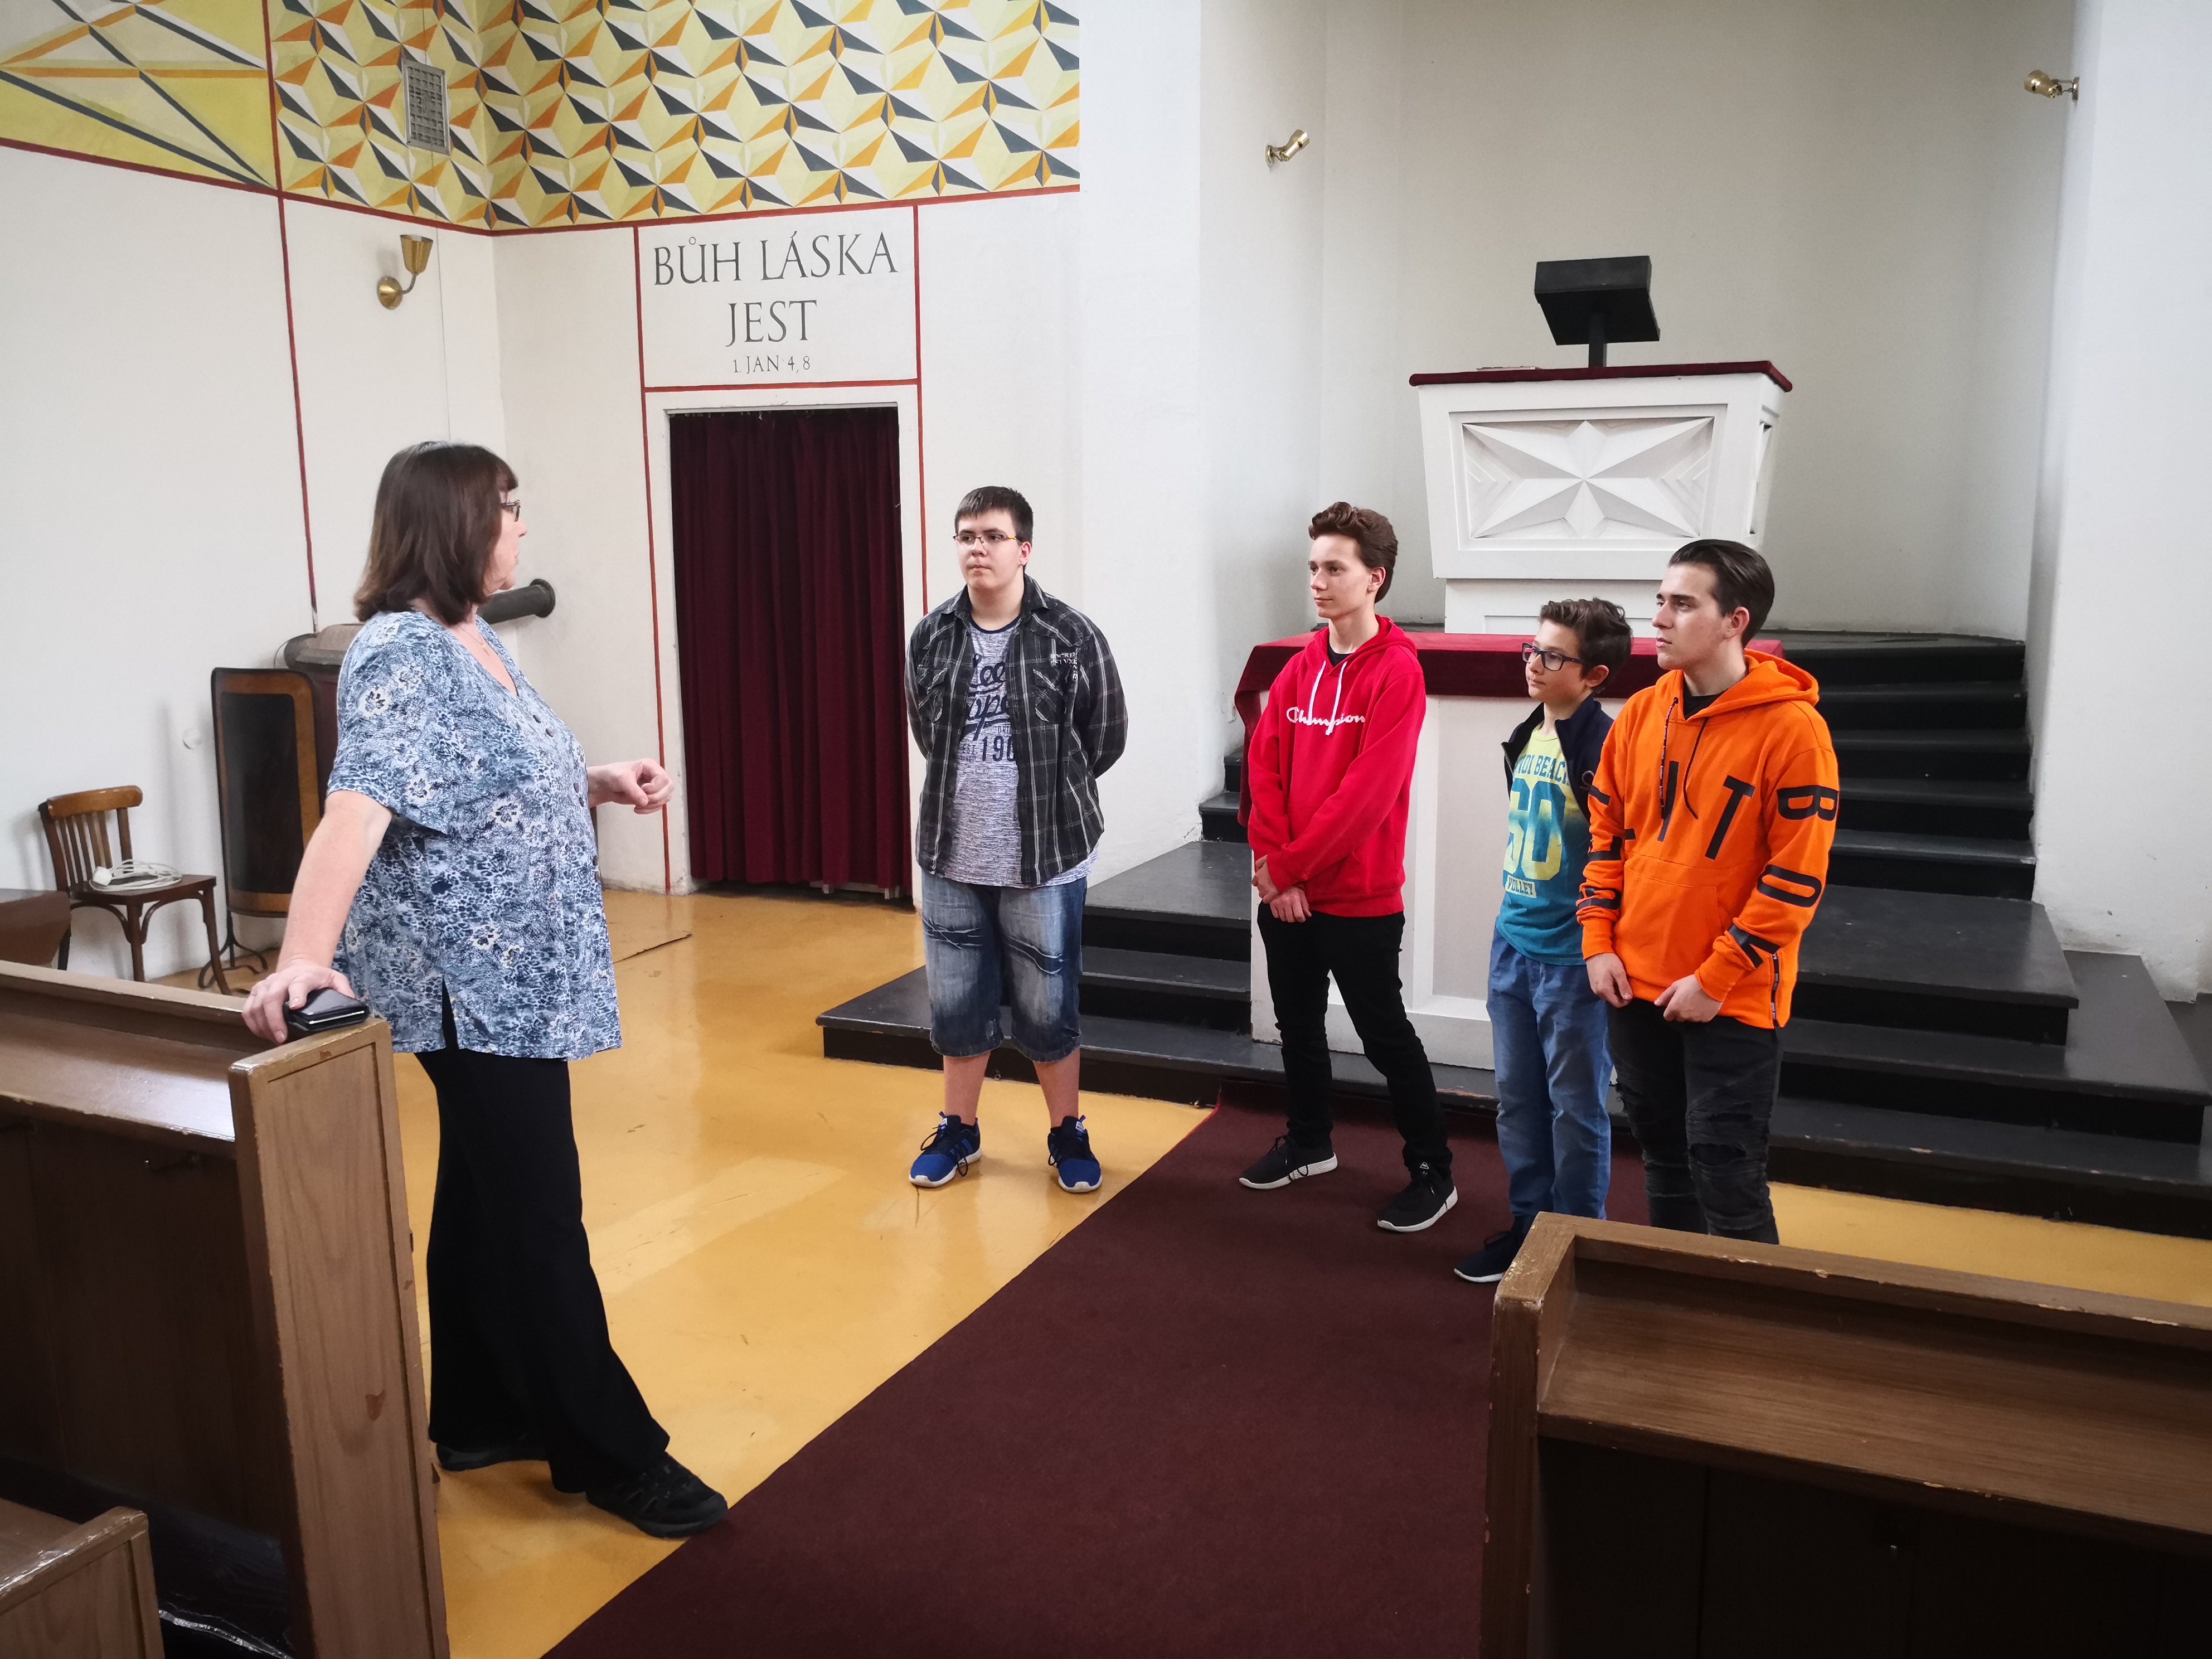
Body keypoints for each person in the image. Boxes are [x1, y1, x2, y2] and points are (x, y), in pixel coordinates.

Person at [242, 441, 726, 1539]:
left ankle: (472, 1414)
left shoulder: (474, 634)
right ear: (455, 523)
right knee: (543, 1215)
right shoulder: (401, 651)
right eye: (507, 508)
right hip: (473, 984)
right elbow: (357, 808)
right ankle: (612, 1455)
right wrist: (303, 958)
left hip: (522, 972)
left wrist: (593, 780)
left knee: (481, 1192)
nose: (520, 527)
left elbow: (480, 780)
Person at [1576, 540, 1839, 1244]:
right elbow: (1605, 837)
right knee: (1663, 1163)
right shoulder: (1641, 712)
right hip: (1632, 985)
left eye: (1682, 604)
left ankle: (1748, 1316)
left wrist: (1716, 978)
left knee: (1727, 1177)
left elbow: (1795, 880)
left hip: (1731, 997)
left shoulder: (1793, 731)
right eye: (1660, 601)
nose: (1658, 619)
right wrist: (1596, 942)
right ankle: (1676, 1301)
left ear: (1734, 621)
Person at [1240, 503, 1457, 1234]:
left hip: (1357, 894)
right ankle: (1310, 1141)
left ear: (1374, 578)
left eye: (1334, 568)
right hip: (1287, 889)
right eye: (1313, 568)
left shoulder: (1397, 673)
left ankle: (1433, 1170)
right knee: (1297, 1024)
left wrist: (1289, 869)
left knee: (1383, 1033)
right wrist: (1277, 870)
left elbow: (1367, 796)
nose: (1318, 581)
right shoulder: (1300, 667)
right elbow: (1264, 769)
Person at [904, 485, 1127, 1193]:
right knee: (956, 1005)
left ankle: (1066, 1133)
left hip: (1044, 856)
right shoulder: (931, 635)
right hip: (951, 854)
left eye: (993, 536)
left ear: (1023, 549)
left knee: (1047, 1007)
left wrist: (1049, 794)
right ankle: (959, 1130)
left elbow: (1105, 735)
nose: (978, 548)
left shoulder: (1070, 635)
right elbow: (926, 732)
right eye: (967, 536)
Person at [1456, 599, 1632, 1284]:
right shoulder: (1528, 731)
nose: (1533, 663)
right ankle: (1528, 1229)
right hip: (1513, 944)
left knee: (1575, 1110)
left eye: (1552, 656)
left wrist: (1598, 943)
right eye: (1531, 649)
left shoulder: (1606, 746)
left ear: (1593, 675)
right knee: (1518, 1100)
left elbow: (1619, 856)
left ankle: (1576, 1244)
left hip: (1571, 961)